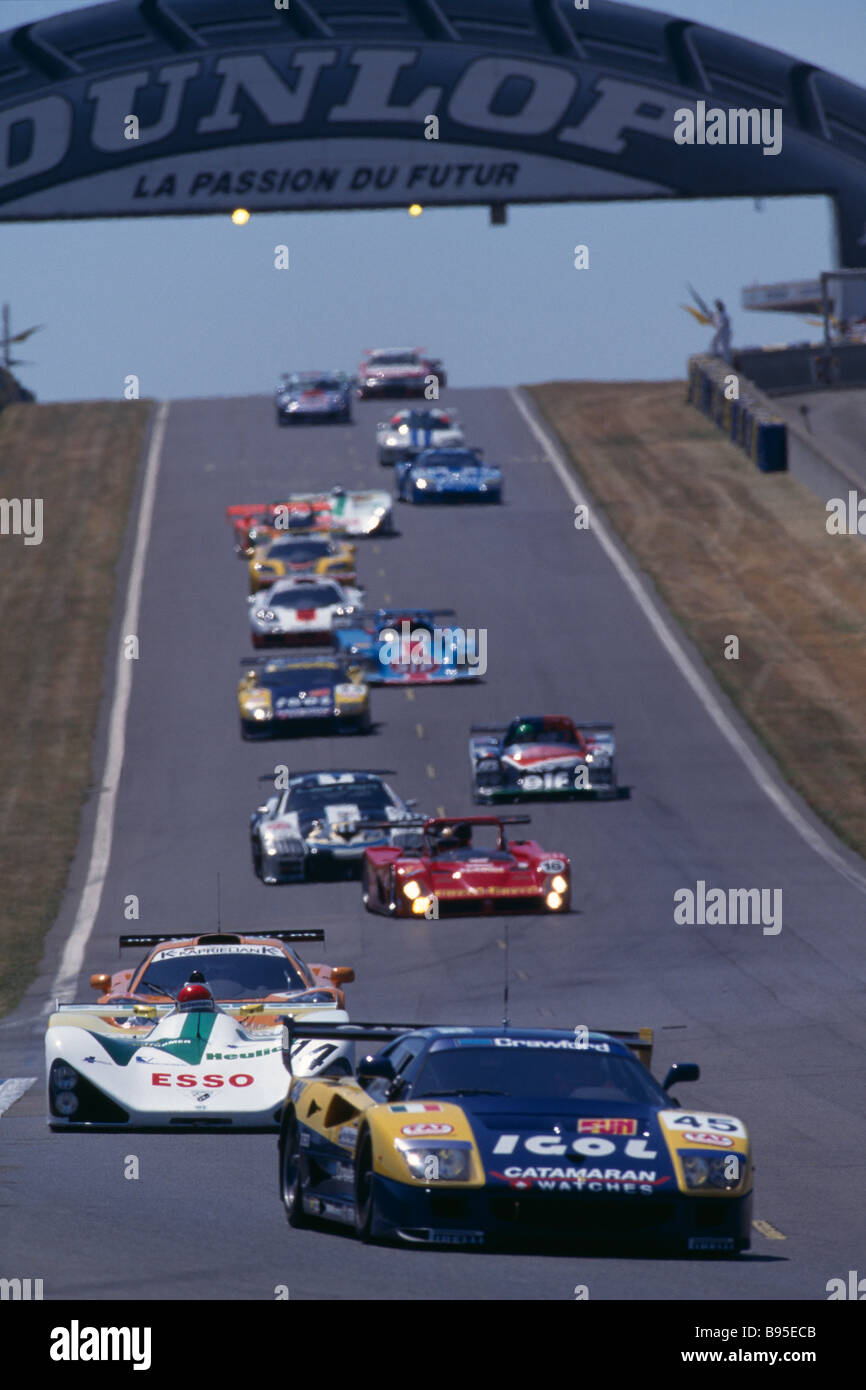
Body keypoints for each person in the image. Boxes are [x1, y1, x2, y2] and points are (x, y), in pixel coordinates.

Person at [710, 299, 733, 364]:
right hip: (720, 331)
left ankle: (727, 362)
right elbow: (715, 322)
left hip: (725, 331)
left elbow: (721, 324)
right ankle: (715, 354)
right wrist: (712, 317)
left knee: (725, 347)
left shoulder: (724, 314)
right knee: (714, 343)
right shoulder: (717, 314)